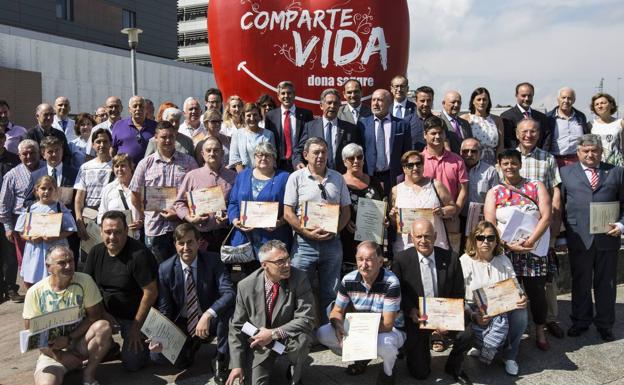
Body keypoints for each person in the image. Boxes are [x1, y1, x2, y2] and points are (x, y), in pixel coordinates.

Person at [484, 149, 552, 351]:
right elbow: (490, 222)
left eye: (513, 163)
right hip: (506, 252)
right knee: (506, 293)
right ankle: (507, 333)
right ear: (499, 166)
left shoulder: (536, 186)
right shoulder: (494, 191)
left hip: (534, 250)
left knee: (537, 293)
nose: (510, 167)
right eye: (505, 164)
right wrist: (506, 245)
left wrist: (530, 241)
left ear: (520, 164)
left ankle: (539, 329)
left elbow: (546, 216)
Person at [559, 134, 624, 342]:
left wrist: (621, 225)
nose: (590, 154)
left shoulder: (616, 172)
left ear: (601, 151)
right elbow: (559, 207)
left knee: (607, 283)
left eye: (594, 150)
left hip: (608, 237)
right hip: (579, 237)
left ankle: (605, 324)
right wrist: (561, 237)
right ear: (578, 153)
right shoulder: (566, 173)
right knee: (581, 282)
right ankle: (580, 321)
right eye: (585, 150)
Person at [150, 223, 235, 382]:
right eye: (181, 243)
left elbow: (229, 293)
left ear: (198, 242)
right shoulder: (165, 269)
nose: (185, 247)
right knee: (158, 357)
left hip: (210, 319)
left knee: (228, 314)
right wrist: (160, 334)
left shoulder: (213, 260)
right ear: (175, 244)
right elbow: (165, 307)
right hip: (183, 320)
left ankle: (221, 359)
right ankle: (192, 343)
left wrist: (208, 314)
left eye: (190, 242)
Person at [391, 219, 472, 383]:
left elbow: (458, 293)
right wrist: (410, 310)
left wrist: (447, 320)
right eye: (418, 236)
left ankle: (454, 364)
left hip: (445, 315)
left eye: (427, 236)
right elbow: (398, 293)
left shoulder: (451, 258)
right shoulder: (401, 260)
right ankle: (416, 351)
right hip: (417, 318)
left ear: (435, 237)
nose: (423, 241)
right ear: (411, 237)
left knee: (469, 333)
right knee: (420, 373)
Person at [226, 240, 315, 385]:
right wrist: (237, 365)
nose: (287, 265)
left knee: (302, 341)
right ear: (264, 265)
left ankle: (294, 370)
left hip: (287, 337)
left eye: (287, 259)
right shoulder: (246, 286)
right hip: (260, 342)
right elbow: (237, 325)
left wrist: (273, 333)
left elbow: (307, 318)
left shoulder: (299, 278)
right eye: (280, 262)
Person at [283, 137, 351, 324]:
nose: (321, 156)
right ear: (305, 155)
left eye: (324, 152)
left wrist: (336, 230)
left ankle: (327, 330)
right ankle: (302, 331)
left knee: (331, 291)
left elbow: (346, 210)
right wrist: (305, 232)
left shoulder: (337, 177)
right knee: (299, 289)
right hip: (304, 244)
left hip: (332, 243)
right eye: (316, 152)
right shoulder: (295, 178)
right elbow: (288, 212)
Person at [317, 241, 405, 385]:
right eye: (360, 259)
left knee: (386, 345)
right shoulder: (348, 279)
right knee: (322, 333)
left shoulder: (391, 282)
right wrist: (338, 325)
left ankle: (388, 371)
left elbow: (388, 324)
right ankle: (361, 357)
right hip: (361, 328)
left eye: (369, 260)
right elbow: (337, 311)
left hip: (389, 331)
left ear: (381, 261)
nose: (363, 264)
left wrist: (359, 335)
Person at [23, 245, 111, 385]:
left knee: (103, 327)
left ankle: (88, 374)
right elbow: (32, 335)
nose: (69, 266)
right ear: (48, 266)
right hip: (51, 352)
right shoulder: (35, 292)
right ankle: (70, 366)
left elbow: (95, 316)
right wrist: (59, 355)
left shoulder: (85, 280)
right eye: (62, 263)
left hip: (79, 343)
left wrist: (69, 339)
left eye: (71, 261)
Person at [83, 210, 158, 372]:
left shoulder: (139, 254)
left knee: (133, 365)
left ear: (126, 231)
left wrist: (136, 328)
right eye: (108, 232)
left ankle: (136, 344)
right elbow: (88, 288)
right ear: (101, 232)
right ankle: (109, 347)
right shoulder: (96, 252)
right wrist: (102, 313)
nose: (112, 237)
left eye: (117, 232)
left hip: (134, 317)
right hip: (104, 313)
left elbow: (151, 292)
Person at [512, 118, 564, 339]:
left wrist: (554, 226)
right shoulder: (508, 158)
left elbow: (556, 193)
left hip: (542, 228)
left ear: (539, 133)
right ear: (516, 133)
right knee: (517, 279)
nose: (529, 135)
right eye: (524, 131)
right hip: (514, 232)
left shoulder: (547, 158)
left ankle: (549, 320)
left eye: (533, 131)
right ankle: (520, 324)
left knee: (545, 279)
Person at [460, 221, 528, 376]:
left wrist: (522, 296)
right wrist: (473, 314)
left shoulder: (503, 259)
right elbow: (458, 297)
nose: (486, 242)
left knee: (521, 314)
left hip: (502, 307)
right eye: (481, 237)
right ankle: (481, 345)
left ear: (496, 241)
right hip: (474, 308)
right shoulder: (464, 261)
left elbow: (516, 286)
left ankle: (509, 356)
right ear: (473, 239)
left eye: (490, 238)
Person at [130, 121, 199, 263]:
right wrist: (145, 213)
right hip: (155, 227)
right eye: (163, 137)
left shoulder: (189, 162)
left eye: (171, 137)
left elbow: (196, 194)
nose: (167, 140)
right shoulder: (145, 164)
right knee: (157, 271)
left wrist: (180, 213)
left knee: (184, 269)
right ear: (156, 138)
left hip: (182, 228)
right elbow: (135, 193)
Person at [228, 142, 292, 273]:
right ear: (254, 157)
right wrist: (235, 221)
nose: (263, 158)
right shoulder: (242, 175)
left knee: (274, 278)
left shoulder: (284, 178)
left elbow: (292, 207)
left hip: (273, 239)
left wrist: (280, 222)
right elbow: (233, 203)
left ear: (274, 158)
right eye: (259, 155)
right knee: (246, 280)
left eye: (268, 155)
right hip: (244, 240)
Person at [174, 136, 237, 252]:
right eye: (208, 150)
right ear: (202, 154)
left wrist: (229, 216)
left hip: (226, 234)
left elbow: (238, 204)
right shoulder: (192, 176)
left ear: (222, 153)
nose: (212, 153)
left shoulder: (234, 177)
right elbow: (179, 203)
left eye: (216, 150)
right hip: (200, 236)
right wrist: (190, 218)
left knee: (225, 269)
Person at [0, 139, 43, 303]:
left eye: (32, 152)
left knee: (44, 258)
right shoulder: (12, 175)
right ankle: (32, 294)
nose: (29, 156)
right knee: (25, 261)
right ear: (19, 155)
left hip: (45, 219)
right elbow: (4, 204)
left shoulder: (46, 169)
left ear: (39, 153)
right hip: (22, 222)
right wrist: (8, 227)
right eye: (25, 153)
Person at [16, 175, 76, 287]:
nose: (46, 192)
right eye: (43, 188)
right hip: (35, 250)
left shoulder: (59, 207)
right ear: (36, 190)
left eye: (50, 189)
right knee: (34, 278)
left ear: (55, 190)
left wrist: (56, 237)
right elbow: (21, 231)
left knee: (55, 277)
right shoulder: (30, 209)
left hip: (55, 248)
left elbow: (70, 229)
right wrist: (29, 238)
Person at [389, 150, 454, 253]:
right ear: (404, 169)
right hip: (406, 247)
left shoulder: (436, 185)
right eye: (410, 165)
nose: (415, 168)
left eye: (418, 164)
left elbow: (452, 207)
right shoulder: (396, 190)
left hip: (435, 244)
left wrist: (443, 211)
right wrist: (393, 218)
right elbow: (394, 223)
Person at [421, 116, 468, 252]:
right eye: (433, 133)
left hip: (451, 218)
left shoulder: (457, 160)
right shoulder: (418, 160)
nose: (437, 136)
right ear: (425, 135)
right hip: (426, 219)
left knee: (452, 257)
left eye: (440, 133)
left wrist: (455, 212)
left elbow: (463, 190)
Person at [294, 88, 363, 174]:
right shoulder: (310, 127)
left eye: (335, 103)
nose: (332, 106)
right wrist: (298, 162)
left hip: (342, 177)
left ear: (339, 106)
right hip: (316, 176)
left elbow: (358, 154)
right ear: (321, 106)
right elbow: (299, 150)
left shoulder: (350, 129)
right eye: (329, 103)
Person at [340, 143, 385, 266]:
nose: (356, 161)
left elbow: (383, 206)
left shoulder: (375, 182)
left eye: (359, 157)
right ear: (344, 162)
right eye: (351, 158)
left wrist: (384, 219)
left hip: (373, 238)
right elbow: (333, 208)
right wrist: (345, 220)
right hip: (349, 239)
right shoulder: (339, 182)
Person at [362, 89, 412, 198]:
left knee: (393, 210)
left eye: (379, 100)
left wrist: (405, 175)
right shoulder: (362, 124)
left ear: (389, 102)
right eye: (373, 100)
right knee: (372, 212)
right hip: (369, 177)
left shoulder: (401, 125)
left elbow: (407, 153)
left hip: (394, 176)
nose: (375, 103)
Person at [264, 81, 314, 172]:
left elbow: (309, 140)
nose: (286, 96)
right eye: (283, 93)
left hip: (301, 163)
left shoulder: (306, 114)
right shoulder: (270, 116)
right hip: (278, 165)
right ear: (278, 96)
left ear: (294, 95)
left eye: (289, 93)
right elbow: (268, 141)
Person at [74, 129, 113, 242]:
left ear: (110, 143)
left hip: (111, 216)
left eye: (105, 141)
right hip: (89, 218)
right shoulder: (85, 167)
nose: (102, 145)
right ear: (93, 144)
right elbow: (79, 198)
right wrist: (79, 221)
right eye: (98, 141)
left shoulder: (117, 166)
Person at [459, 138, 499, 249]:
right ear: (460, 152)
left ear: (480, 153)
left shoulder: (490, 171)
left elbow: (496, 199)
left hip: (480, 219)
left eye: (473, 151)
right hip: (459, 217)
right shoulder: (455, 168)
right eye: (465, 151)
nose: (469, 154)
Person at [97, 154, 142, 240]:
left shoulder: (140, 187)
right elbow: (101, 215)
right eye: (116, 166)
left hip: (136, 237)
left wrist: (141, 223)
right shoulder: (108, 189)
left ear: (131, 167)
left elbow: (149, 213)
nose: (119, 169)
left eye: (123, 165)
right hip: (113, 238)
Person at [501, 82, 552, 151]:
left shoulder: (542, 118)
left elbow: (546, 139)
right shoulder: (507, 117)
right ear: (516, 95)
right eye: (523, 95)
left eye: (529, 96)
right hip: (516, 158)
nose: (527, 99)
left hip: (539, 158)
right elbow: (508, 141)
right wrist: (515, 156)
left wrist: (542, 154)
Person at [546, 87, 590, 167]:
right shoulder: (549, 118)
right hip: (555, 161)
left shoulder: (580, 117)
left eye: (569, 98)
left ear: (574, 100)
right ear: (558, 99)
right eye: (563, 97)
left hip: (577, 161)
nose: (566, 101)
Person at [459, 87, 504, 165]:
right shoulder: (466, 118)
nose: (482, 102)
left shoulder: (497, 120)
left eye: (484, 99)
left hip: (492, 161)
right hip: (472, 161)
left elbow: (501, 144)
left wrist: (498, 162)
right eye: (479, 99)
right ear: (473, 101)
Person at [229, 103, 276, 172]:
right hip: (244, 174)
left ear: (260, 116)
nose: (252, 118)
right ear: (243, 117)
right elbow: (235, 158)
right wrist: (244, 177)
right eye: (248, 115)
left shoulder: (269, 134)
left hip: (265, 174)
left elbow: (272, 158)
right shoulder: (237, 134)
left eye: (255, 115)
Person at [111, 95, 157, 165]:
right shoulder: (119, 125)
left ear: (145, 109)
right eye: (135, 106)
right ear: (129, 109)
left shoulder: (155, 126)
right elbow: (113, 149)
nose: (138, 109)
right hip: (124, 171)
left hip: (149, 171)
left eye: (141, 106)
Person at [588, 92, 624, 166]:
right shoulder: (590, 124)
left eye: (603, 103)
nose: (600, 106)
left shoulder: (620, 123)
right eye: (596, 104)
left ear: (611, 105)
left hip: (616, 164)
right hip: (597, 164)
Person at [406, 86, 435, 151]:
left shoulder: (439, 122)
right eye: (422, 101)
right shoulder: (406, 122)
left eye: (429, 100)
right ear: (415, 101)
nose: (426, 104)